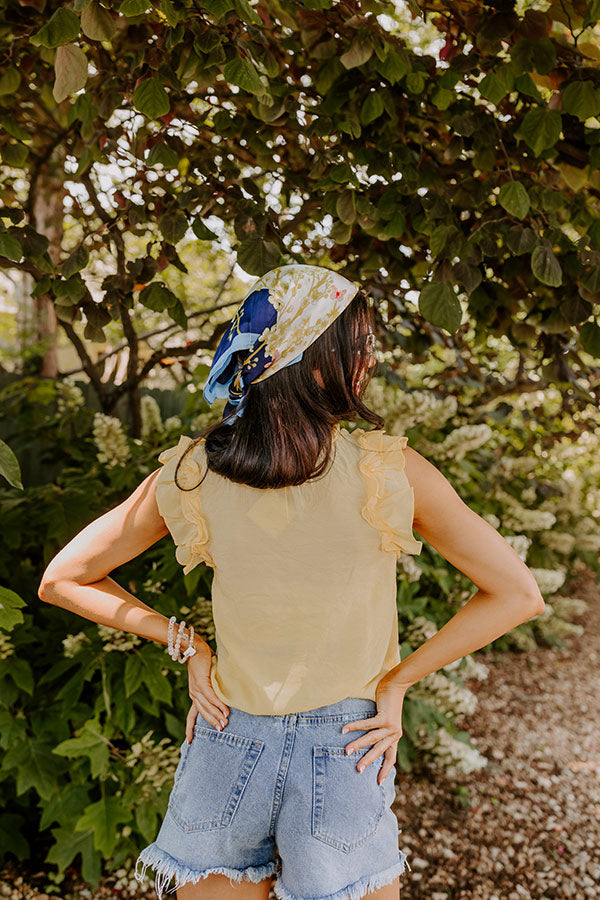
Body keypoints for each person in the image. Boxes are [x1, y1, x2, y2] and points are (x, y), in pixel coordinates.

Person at [38, 263, 545, 900]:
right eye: (357, 346)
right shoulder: (390, 470)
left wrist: (187, 644)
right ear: (313, 360)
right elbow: (519, 594)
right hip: (347, 748)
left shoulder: (195, 471)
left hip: (227, 738)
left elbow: (63, 578)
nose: (370, 359)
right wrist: (398, 681)